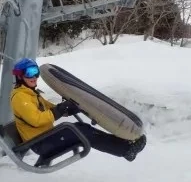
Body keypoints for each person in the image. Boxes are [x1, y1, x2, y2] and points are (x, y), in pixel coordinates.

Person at [10, 58, 146, 162]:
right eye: (29, 73)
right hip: (42, 143)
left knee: (82, 127)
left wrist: (68, 109)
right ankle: (126, 150)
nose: (34, 77)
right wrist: (59, 111)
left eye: (35, 72)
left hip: (46, 137)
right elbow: (36, 120)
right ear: (20, 76)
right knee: (82, 132)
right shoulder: (20, 97)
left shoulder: (30, 94)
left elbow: (50, 108)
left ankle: (124, 145)